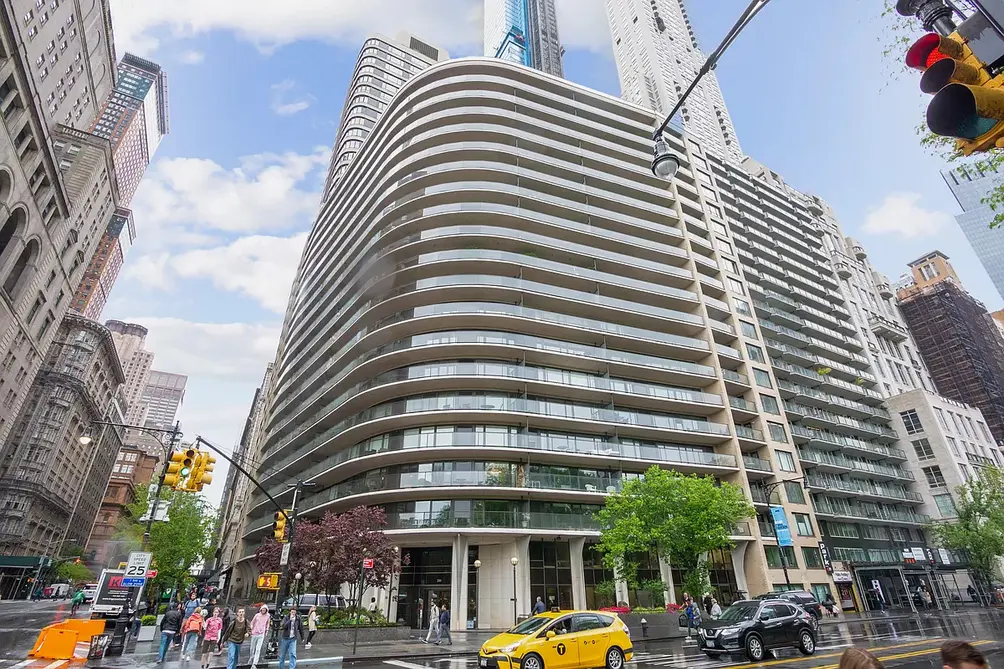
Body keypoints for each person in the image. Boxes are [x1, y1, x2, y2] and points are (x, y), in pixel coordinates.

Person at [248, 604, 271, 669]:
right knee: (252, 648)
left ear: (266, 610)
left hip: (261, 634)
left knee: (258, 649)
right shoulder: (257, 615)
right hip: (254, 633)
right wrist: (251, 629)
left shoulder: (268, 616)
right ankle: (251, 657)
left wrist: (266, 631)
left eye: (265, 609)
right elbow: (252, 622)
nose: (263, 610)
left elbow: (267, 624)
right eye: (263, 609)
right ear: (261, 609)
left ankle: (255, 663)